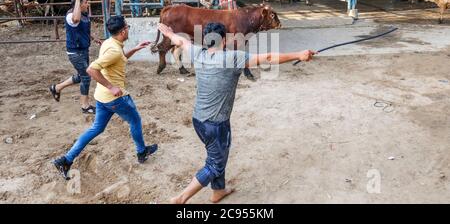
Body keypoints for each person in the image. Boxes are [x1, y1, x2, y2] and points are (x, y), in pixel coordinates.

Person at [156, 22, 315, 204]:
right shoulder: (232, 58)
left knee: (218, 154)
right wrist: (299, 55)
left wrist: (169, 33)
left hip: (199, 120)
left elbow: (180, 41)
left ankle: (218, 191)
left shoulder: (198, 53)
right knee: (215, 163)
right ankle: (181, 198)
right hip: (216, 124)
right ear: (223, 40)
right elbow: (269, 57)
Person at [53, 15, 158, 180]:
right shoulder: (114, 50)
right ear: (123, 31)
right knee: (135, 121)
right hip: (115, 98)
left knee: (96, 129)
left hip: (101, 97)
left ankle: (66, 160)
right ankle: (141, 152)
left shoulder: (110, 43)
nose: (128, 29)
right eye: (127, 27)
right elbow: (91, 69)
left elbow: (119, 58)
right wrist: (112, 86)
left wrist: (136, 49)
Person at [49, 0, 102, 114]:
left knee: (80, 76)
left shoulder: (83, 14)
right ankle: (85, 106)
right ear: (79, 4)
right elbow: (76, 19)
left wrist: (93, 38)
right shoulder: (71, 15)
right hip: (75, 52)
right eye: (85, 2)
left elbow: (83, 29)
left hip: (83, 49)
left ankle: (56, 88)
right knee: (86, 77)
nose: (88, 4)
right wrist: (77, 0)